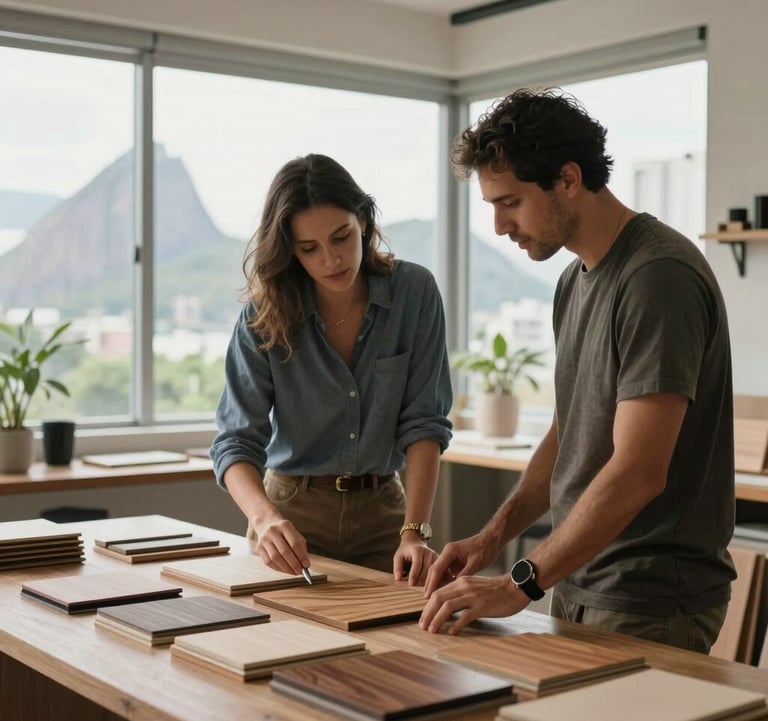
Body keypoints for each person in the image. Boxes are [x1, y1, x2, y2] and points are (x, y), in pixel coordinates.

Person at [419, 88, 735, 653]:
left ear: (567, 179)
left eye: (510, 202)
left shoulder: (657, 276)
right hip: (579, 580)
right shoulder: (576, 279)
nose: (498, 226)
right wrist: (493, 539)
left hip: (648, 601)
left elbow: (639, 469)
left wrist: (520, 583)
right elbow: (572, 433)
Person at [210, 153, 452, 585]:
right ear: (289, 249)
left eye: (342, 237)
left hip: (385, 514)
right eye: (309, 248)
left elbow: (425, 423)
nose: (331, 259)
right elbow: (234, 442)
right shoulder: (262, 316)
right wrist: (265, 519)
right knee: (287, 646)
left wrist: (415, 531)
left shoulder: (415, 292)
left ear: (363, 221)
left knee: (398, 648)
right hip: (291, 517)